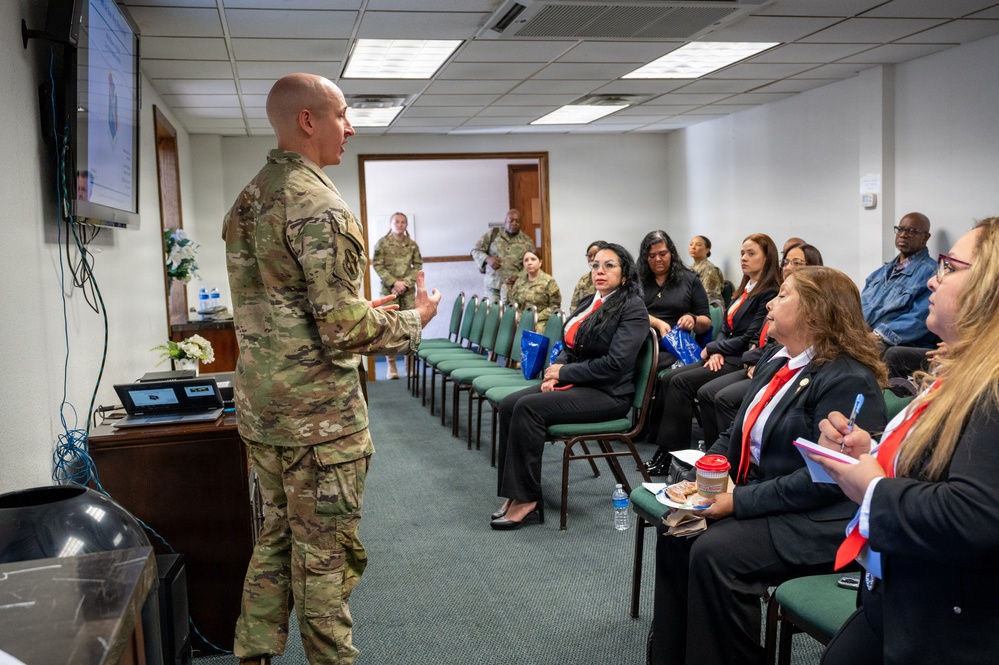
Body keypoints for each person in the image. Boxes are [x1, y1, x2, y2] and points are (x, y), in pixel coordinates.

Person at [222, 73, 441, 665]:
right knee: (325, 556)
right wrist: (415, 318)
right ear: (307, 121)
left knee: (272, 542)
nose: (351, 127)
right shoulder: (321, 204)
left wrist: (352, 307)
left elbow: (284, 305)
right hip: (317, 419)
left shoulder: (250, 196)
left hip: (263, 410)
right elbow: (342, 330)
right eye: (342, 114)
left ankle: (253, 656)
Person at [649, 266, 888, 665]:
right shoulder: (779, 363)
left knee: (715, 553)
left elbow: (825, 481)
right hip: (770, 496)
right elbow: (735, 433)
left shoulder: (847, 378)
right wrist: (703, 476)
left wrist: (737, 501)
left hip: (820, 517)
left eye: (784, 295)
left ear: (815, 312)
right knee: (678, 530)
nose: (771, 303)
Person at [809, 218, 999, 665]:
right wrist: (869, 451)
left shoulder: (992, 387)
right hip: (902, 595)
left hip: (949, 626)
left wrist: (874, 489)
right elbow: (940, 463)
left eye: (951, 268)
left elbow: (976, 517)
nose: (934, 277)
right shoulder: (966, 370)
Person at [490, 242, 648, 530]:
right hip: (580, 382)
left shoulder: (632, 307)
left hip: (609, 394)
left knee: (527, 408)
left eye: (609, 265)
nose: (600, 271)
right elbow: (569, 343)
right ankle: (515, 493)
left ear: (625, 274)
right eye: (595, 265)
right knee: (510, 404)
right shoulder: (591, 301)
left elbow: (616, 364)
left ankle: (528, 500)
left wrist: (565, 372)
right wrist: (554, 372)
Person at [645, 234, 781, 468]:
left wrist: (713, 347)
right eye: (742, 253)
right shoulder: (744, 290)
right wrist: (715, 349)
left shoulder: (768, 293)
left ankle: (677, 455)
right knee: (671, 377)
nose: (744, 259)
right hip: (724, 354)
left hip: (740, 359)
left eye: (751, 253)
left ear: (767, 258)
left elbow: (748, 338)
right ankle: (668, 450)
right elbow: (725, 328)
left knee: (682, 383)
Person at [696, 242, 824, 450]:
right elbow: (755, 337)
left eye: (796, 262)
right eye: (787, 262)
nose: (788, 267)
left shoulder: (784, 303)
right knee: (706, 392)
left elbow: (762, 343)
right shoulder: (767, 298)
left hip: (758, 361)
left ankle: (738, 456)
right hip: (759, 361)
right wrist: (717, 349)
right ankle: (716, 458)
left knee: (722, 397)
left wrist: (750, 359)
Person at [861, 212, 937, 349]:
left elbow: (919, 319)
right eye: (900, 229)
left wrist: (877, 336)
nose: (903, 234)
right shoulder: (880, 273)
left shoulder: (931, 273)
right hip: (863, 336)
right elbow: (860, 306)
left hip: (893, 343)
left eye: (912, 231)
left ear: (926, 237)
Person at [639, 230, 711, 371]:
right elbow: (628, 312)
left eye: (663, 254)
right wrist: (656, 323)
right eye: (651, 256)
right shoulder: (637, 281)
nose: (658, 259)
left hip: (674, 348)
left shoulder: (690, 279)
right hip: (641, 343)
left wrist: (693, 319)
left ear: (672, 253)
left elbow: (706, 323)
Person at [372, 212, 423, 379]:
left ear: (406, 225)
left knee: (410, 326)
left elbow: (417, 266)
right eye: (397, 222)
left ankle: (410, 366)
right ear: (391, 224)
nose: (400, 225)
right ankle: (392, 366)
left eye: (403, 222)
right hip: (389, 290)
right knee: (388, 326)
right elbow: (377, 265)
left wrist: (405, 283)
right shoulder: (383, 243)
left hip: (407, 291)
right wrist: (394, 282)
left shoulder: (412, 245)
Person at [470, 209, 536, 303]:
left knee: (512, 317)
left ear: (521, 223)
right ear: (505, 221)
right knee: (492, 316)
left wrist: (519, 276)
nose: (514, 223)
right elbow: (475, 251)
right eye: (511, 220)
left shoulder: (527, 241)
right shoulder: (493, 234)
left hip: (515, 289)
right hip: (492, 289)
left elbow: (533, 265)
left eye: (517, 221)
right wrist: (487, 259)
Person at [502, 249, 562, 331]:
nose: (529, 263)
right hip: (521, 320)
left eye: (533, 259)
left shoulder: (549, 281)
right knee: (506, 331)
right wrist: (521, 318)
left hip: (541, 321)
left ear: (540, 263)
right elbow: (514, 304)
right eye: (526, 260)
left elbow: (554, 306)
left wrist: (535, 317)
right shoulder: (519, 282)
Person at [688, 235, 724, 304]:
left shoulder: (710, 269)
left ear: (707, 250)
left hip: (708, 308)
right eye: (691, 244)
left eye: (698, 245)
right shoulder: (690, 268)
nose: (693, 247)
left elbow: (710, 296)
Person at [569, 240, 603, 311]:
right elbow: (574, 305)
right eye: (589, 255)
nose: (592, 259)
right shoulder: (583, 279)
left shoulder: (608, 278)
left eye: (596, 255)